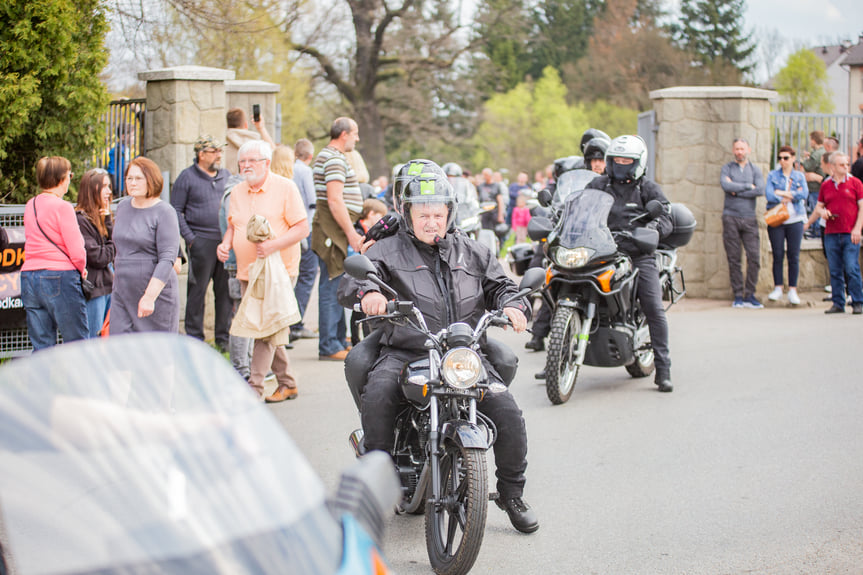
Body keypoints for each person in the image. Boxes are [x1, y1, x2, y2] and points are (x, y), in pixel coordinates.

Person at [338, 159, 539, 534]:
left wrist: (514, 304)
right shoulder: (386, 250)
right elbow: (357, 280)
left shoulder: (473, 252)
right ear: (407, 213)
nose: (432, 221)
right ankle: (376, 487)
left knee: (508, 414)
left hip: (463, 355)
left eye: (438, 213)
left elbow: (502, 286)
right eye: (423, 214)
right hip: (407, 349)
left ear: (450, 212)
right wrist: (368, 294)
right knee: (379, 395)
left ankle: (512, 494)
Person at [217, 140, 309, 401]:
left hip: (279, 270)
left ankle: (254, 388)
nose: (245, 166)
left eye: (251, 161)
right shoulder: (236, 192)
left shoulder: (285, 188)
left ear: (266, 163)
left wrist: (273, 246)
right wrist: (225, 245)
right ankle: (288, 382)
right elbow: (233, 226)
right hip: (247, 270)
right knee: (269, 324)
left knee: (265, 326)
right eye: (242, 162)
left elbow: (302, 228)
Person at [585, 135, 674, 392]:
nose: (621, 164)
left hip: (637, 253)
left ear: (638, 163)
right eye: (616, 160)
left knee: (653, 307)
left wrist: (653, 230)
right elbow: (581, 209)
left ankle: (664, 369)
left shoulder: (648, 189)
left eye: (627, 160)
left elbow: (666, 217)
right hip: (600, 251)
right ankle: (556, 357)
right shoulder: (598, 184)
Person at [170, 136, 232, 349]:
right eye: (214, 151)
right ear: (201, 154)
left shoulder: (226, 176)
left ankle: (223, 339)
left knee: (225, 293)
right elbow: (175, 210)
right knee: (197, 292)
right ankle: (195, 339)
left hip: (225, 241)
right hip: (201, 242)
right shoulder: (186, 177)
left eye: (220, 151)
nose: (219, 155)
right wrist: (191, 239)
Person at [20, 157, 89, 349]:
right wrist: (82, 269)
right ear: (61, 178)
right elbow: (77, 250)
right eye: (69, 175)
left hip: (29, 277)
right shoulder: (63, 207)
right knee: (76, 343)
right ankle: (77, 380)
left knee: (42, 346)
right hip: (59, 276)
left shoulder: (30, 205)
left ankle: (41, 380)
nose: (70, 179)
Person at [311, 117, 363, 361]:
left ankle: (339, 340)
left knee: (338, 286)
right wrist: (351, 233)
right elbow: (334, 199)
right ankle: (330, 345)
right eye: (355, 133)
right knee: (332, 287)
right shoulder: (333, 158)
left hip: (336, 230)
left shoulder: (332, 156)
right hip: (333, 231)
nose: (357, 138)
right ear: (344, 134)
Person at [110, 157, 181, 334]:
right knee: (121, 348)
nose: (132, 183)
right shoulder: (123, 207)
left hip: (155, 294)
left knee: (155, 352)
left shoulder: (165, 212)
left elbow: (167, 258)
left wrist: (150, 297)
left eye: (138, 178)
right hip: (122, 292)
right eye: (129, 178)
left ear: (151, 179)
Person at [807, 153, 863, 314]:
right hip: (831, 232)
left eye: (847, 164)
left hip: (849, 232)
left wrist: (858, 228)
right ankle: (838, 302)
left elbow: (862, 208)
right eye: (841, 165)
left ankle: (857, 300)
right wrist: (822, 212)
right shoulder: (826, 185)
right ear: (832, 167)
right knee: (835, 269)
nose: (846, 167)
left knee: (851, 267)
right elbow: (818, 207)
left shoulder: (855, 183)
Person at [719, 138, 765, 308]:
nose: (740, 152)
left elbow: (760, 189)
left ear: (748, 150)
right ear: (733, 150)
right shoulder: (727, 168)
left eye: (742, 149)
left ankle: (750, 294)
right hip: (730, 217)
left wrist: (736, 189)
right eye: (737, 149)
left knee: (754, 257)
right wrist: (748, 187)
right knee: (734, 258)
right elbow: (725, 185)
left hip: (750, 218)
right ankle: (738, 294)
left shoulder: (755, 170)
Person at [764, 146, 807, 306]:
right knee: (777, 254)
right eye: (780, 158)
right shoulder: (772, 175)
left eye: (786, 158)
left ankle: (793, 290)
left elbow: (804, 194)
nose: (782, 161)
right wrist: (788, 195)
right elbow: (769, 194)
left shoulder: (799, 176)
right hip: (777, 219)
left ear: (793, 159)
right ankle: (778, 287)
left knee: (794, 256)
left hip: (795, 219)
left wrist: (783, 193)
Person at [75, 169, 116, 338]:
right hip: (94, 290)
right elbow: (98, 257)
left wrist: (107, 220)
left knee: (107, 339)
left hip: (108, 287)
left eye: (109, 186)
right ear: (92, 190)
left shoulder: (101, 216)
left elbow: (110, 249)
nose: (109, 192)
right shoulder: (80, 219)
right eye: (104, 186)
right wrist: (113, 245)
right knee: (93, 341)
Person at [290, 138, 319, 341]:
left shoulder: (289, 168)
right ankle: (296, 322)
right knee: (307, 275)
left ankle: (291, 321)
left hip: (290, 229)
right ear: (309, 156)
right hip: (305, 229)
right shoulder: (305, 171)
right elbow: (312, 201)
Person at [224, 107, 275, 175]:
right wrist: (261, 128)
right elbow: (275, 155)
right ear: (246, 124)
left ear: (227, 125)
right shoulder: (258, 145)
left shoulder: (222, 145)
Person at [801, 130, 826, 238]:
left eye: (811, 139)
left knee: (814, 209)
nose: (810, 142)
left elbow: (807, 166)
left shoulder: (816, 154)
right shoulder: (821, 152)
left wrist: (804, 159)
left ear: (814, 140)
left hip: (815, 187)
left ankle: (815, 231)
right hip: (818, 186)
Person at [106, 124, 134, 196]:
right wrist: (115, 190)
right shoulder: (116, 151)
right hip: (119, 191)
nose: (133, 138)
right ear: (123, 136)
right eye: (132, 136)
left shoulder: (127, 150)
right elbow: (112, 172)